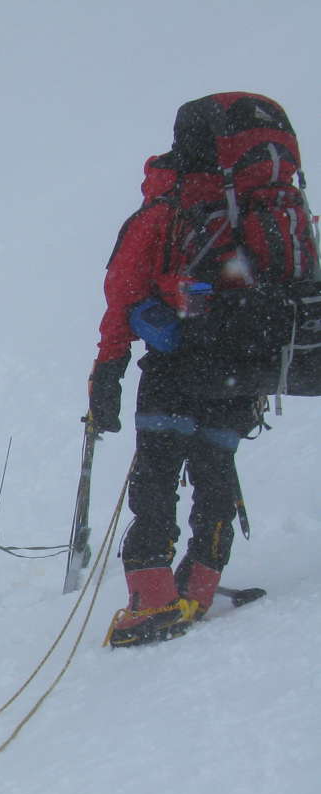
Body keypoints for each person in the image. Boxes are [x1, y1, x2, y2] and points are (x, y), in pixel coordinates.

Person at [86, 92, 314, 648]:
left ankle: (151, 598)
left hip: (180, 363)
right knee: (215, 470)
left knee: (157, 476)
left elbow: (123, 292)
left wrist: (109, 373)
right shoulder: (262, 202)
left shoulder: (169, 206)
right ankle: (201, 585)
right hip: (246, 361)